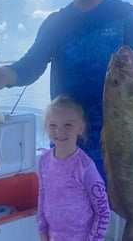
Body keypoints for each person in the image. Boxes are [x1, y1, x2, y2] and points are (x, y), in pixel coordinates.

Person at [0, 0, 133, 240]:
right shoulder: (56, 23)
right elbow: (30, 66)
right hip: (69, 143)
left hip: (127, 142)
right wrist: (0, 76)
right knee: (74, 222)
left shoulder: (128, 16)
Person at [37, 96, 110, 241]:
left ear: (80, 128)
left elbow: (103, 213)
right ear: (46, 127)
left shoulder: (85, 167)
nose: (59, 131)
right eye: (53, 125)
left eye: (68, 125)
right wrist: (42, 230)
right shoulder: (43, 161)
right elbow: (42, 195)